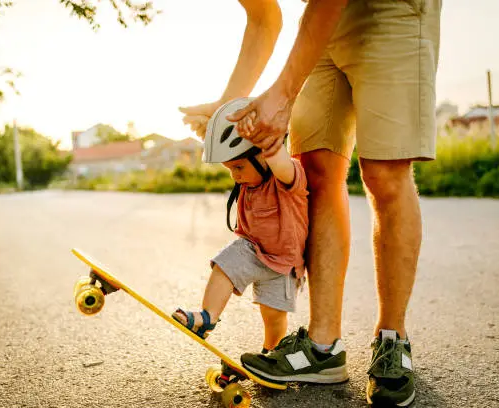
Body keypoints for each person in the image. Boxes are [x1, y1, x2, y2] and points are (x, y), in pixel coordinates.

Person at [180, 1, 441, 405]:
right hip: (317, 27)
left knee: (384, 174)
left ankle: (392, 339)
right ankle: (323, 349)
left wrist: (282, 94)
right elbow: (264, 18)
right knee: (315, 172)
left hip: (391, 11)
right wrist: (226, 111)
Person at [172, 99, 338, 370]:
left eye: (238, 167)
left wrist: (267, 138)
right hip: (252, 251)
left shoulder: (287, 177)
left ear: (262, 155)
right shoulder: (249, 180)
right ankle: (207, 317)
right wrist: (209, 128)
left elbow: (279, 159)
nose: (235, 176)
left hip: (284, 265)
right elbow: (228, 144)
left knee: (273, 318)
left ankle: (270, 354)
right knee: (224, 265)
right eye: (230, 170)